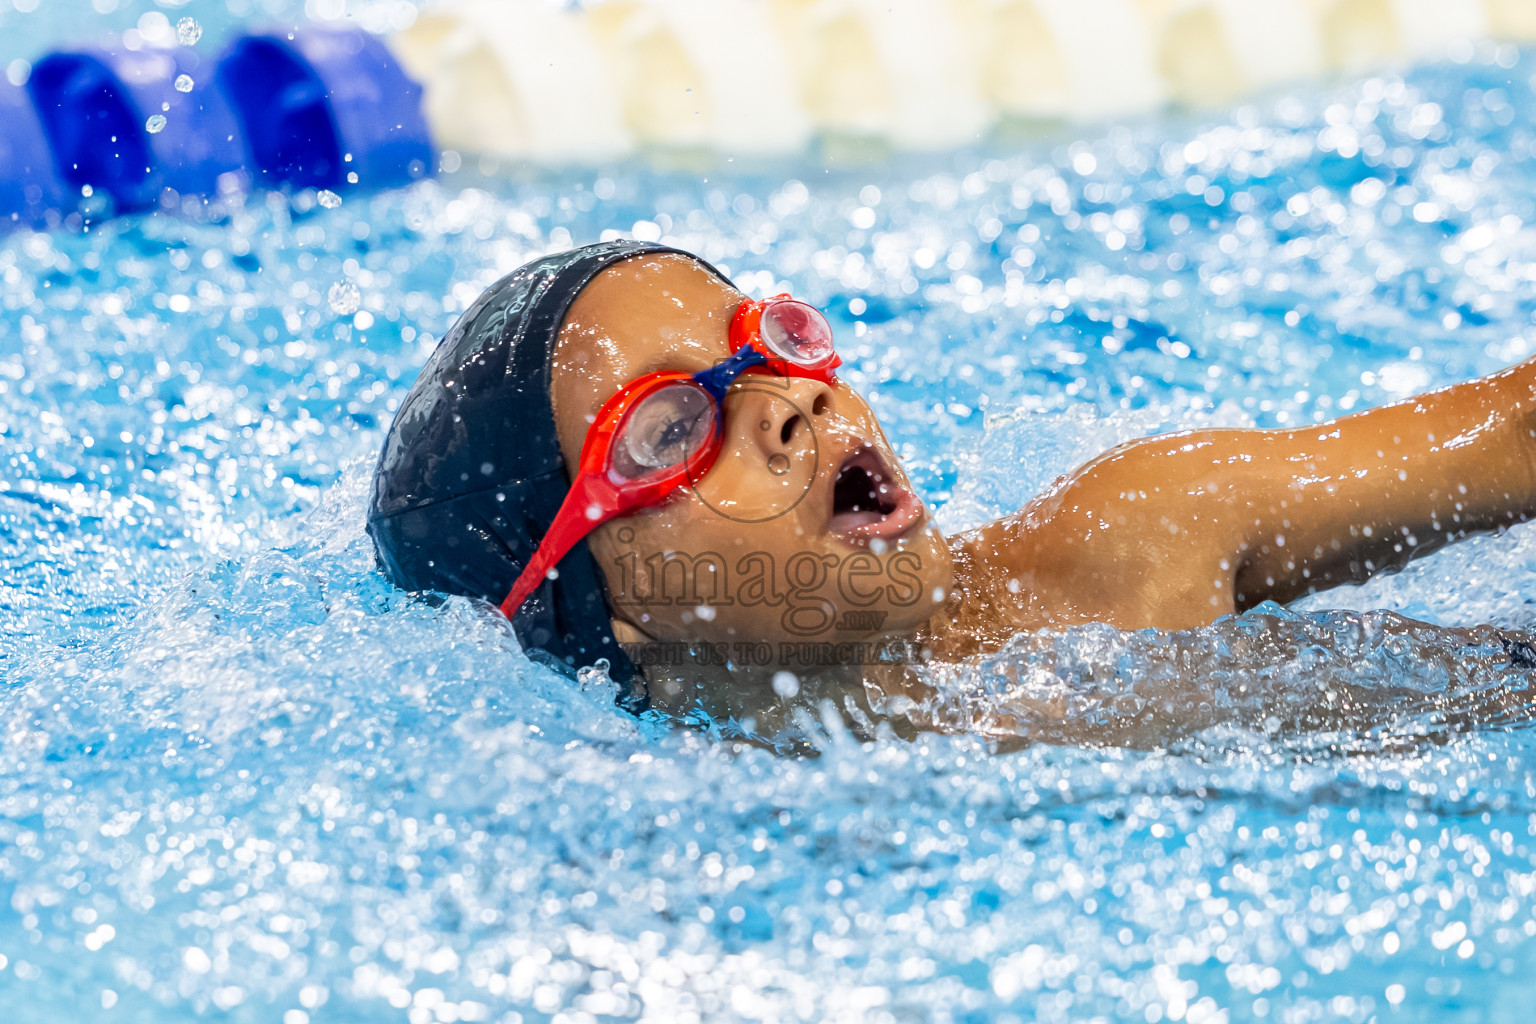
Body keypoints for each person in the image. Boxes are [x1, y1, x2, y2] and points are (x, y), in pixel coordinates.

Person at [368, 240, 1536, 741]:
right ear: (610, 609)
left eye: (764, 344)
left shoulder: (1125, 550)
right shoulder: (663, 837)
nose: (787, 404)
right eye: (672, 426)